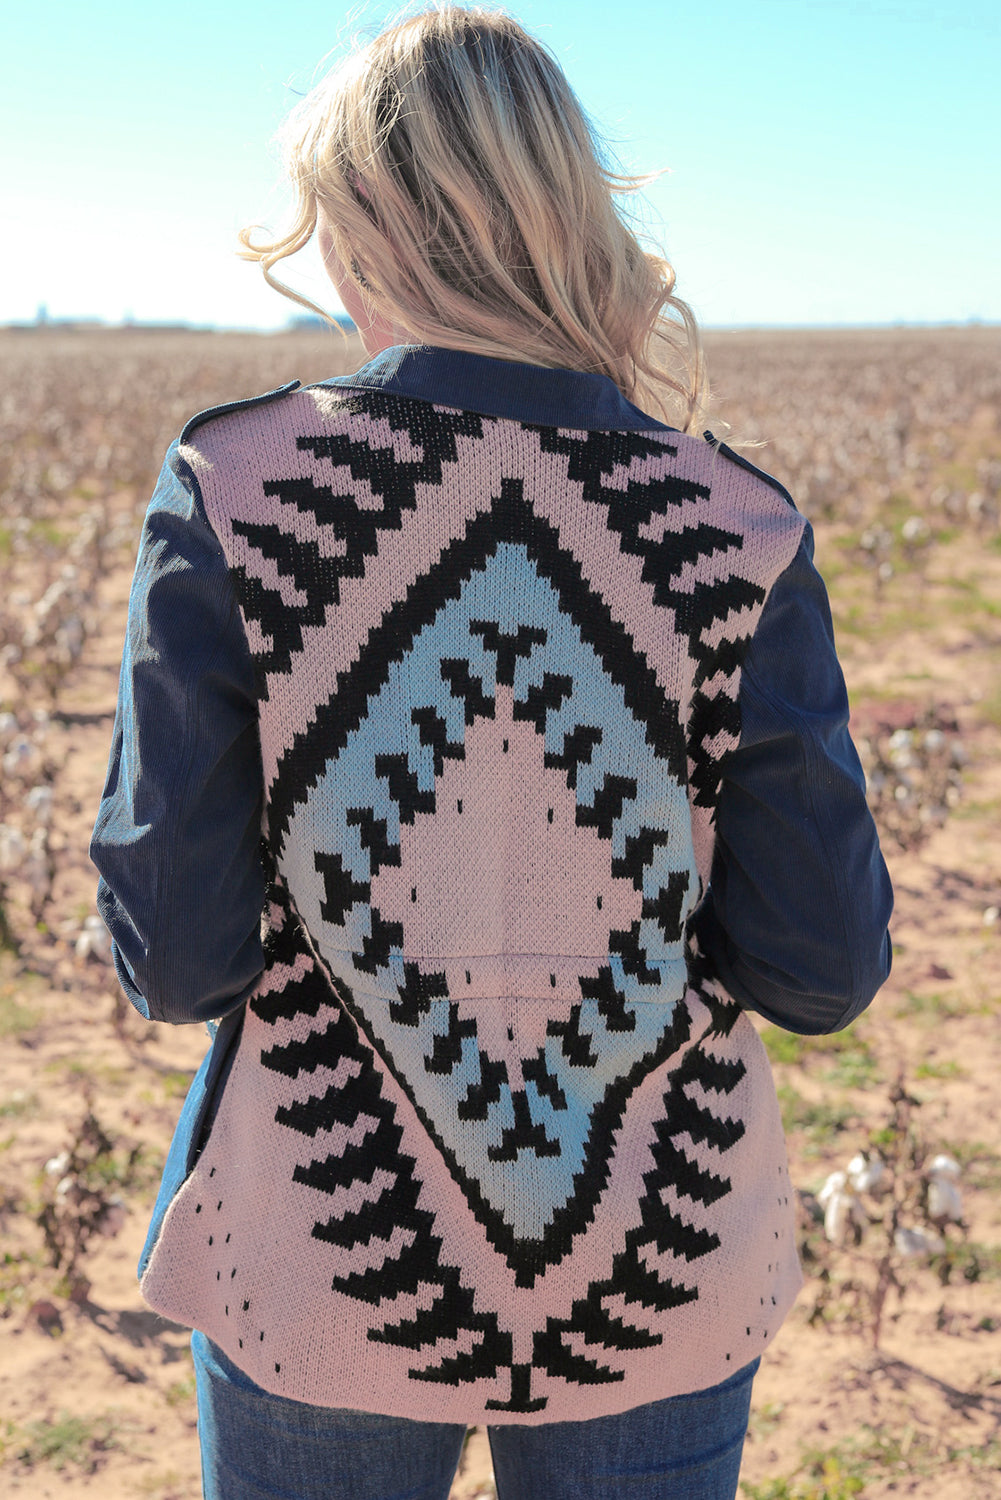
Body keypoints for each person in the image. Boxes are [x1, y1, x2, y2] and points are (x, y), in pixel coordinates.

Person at [91, 9, 892, 1498]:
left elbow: (180, 958)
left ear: (366, 226)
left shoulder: (235, 485)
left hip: (321, 1251)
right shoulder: (733, 523)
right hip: (658, 1265)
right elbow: (818, 967)